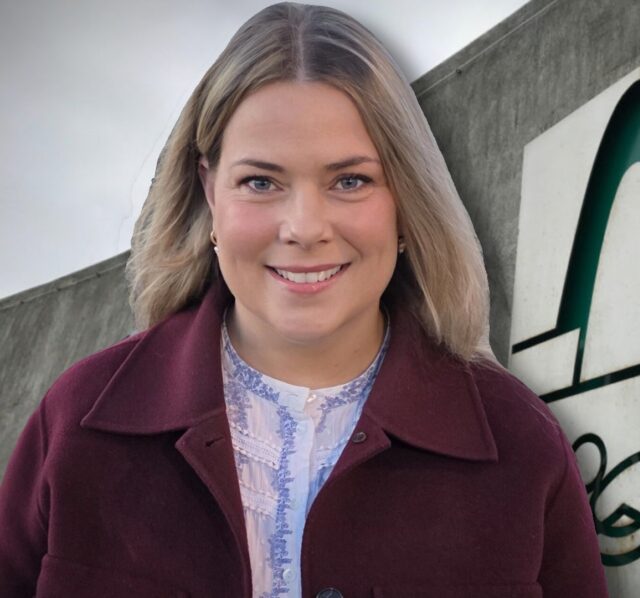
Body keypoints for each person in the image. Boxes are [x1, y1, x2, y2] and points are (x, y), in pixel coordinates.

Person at [0, 3, 608, 596]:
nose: (305, 228)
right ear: (210, 192)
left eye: (350, 180)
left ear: (406, 201)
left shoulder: (520, 443)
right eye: (261, 181)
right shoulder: (76, 423)